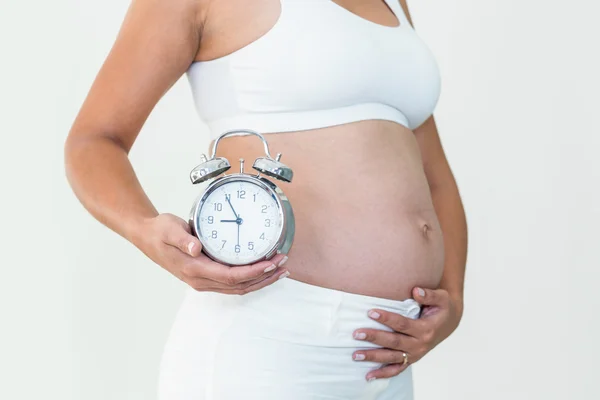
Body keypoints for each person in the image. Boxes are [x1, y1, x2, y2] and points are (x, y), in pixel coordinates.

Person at [64, 0, 468, 398]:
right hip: (266, 344)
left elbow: (436, 178)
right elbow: (94, 140)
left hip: (387, 360)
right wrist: (145, 229)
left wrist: (453, 298)